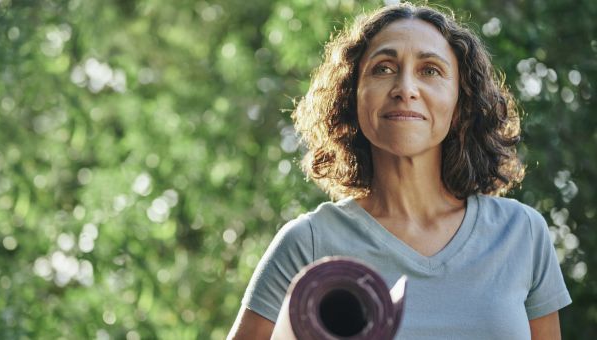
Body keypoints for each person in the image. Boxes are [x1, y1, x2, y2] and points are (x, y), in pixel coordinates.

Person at [228, 2, 571, 339]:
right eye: (383, 68)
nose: (405, 89)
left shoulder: (522, 233)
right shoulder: (308, 243)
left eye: (430, 70)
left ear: (460, 102)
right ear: (353, 96)